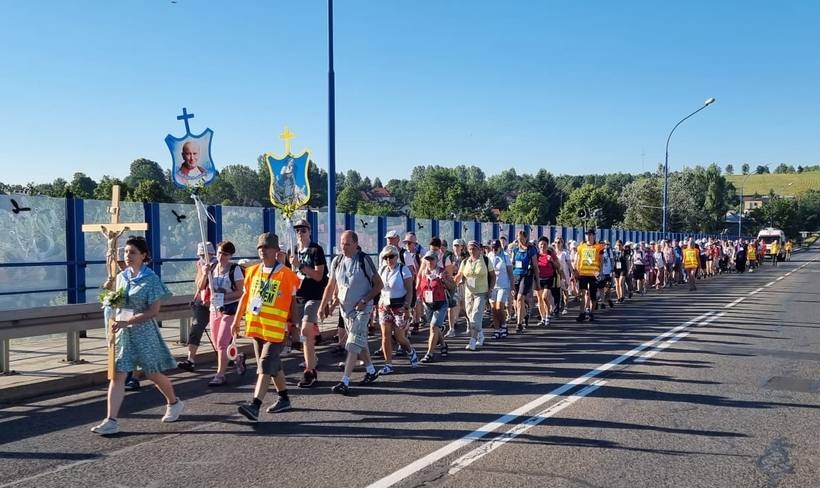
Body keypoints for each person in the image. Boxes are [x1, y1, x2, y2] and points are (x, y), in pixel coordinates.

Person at [91, 236, 183, 435]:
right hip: (123, 334)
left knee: (152, 373)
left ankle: (174, 403)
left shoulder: (150, 279)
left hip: (143, 332)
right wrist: (110, 298)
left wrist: (129, 321)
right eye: (126, 252)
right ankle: (111, 420)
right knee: (118, 375)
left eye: (132, 252)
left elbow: (153, 311)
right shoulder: (123, 277)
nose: (128, 256)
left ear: (143, 255)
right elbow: (115, 299)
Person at [232, 233, 301, 421]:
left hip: (276, 331)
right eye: (260, 248)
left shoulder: (287, 275)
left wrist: (294, 327)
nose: (262, 251)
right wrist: (236, 320)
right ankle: (284, 398)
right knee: (272, 366)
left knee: (264, 365)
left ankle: (255, 405)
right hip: (256, 328)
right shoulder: (252, 271)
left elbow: (293, 303)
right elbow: (245, 298)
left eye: (266, 247)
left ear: (276, 251)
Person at [319, 230, 384, 395]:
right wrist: (323, 306)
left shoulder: (364, 260)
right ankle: (370, 371)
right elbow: (330, 285)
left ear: (355, 244)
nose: (344, 247)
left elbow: (379, 285)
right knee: (359, 340)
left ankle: (345, 381)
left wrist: (364, 301)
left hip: (362, 309)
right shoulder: (337, 261)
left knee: (353, 344)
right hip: (345, 310)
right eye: (342, 243)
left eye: (347, 244)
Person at [289, 218, 328, 388]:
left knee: (305, 329)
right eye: (297, 230)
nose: (300, 233)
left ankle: (309, 370)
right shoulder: (294, 250)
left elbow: (319, 275)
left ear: (309, 231)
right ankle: (311, 359)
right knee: (301, 334)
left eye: (303, 230)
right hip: (299, 295)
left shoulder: (316, 250)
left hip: (314, 295)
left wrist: (301, 266)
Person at [206, 241, 245, 386]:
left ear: (230, 255)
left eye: (225, 254)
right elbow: (202, 285)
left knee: (222, 343)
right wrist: (205, 273)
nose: (221, 256)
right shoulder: (213, 268)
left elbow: (241, 292)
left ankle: (220, 374)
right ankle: (237, 358)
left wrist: (224, 297)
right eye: (220, 252)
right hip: (215, 309)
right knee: (217, 344)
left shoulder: (234, 270)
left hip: (230, 309)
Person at [376, 244, 418, 374]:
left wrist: (407, 307)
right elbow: (377, 287)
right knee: (385, 335)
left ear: (396, 257)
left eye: (392, 256)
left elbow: (410, 290)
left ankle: (410, 351)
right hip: (385, 305)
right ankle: (388, 364)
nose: (389, 259)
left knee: (399, 337)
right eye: (386, 257)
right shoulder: (382, 270)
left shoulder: (403, 269)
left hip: (399, 305)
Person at [177, 242, 216, 376]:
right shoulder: (200, 265)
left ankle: (232, 356)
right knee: (196, 328)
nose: (203, 258)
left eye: (205, 255)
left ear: (212, 254)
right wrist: (205, 274)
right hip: (202, 302)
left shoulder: (219, 265)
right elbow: (199, 285)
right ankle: (190, 360)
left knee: (219, 334)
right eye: (200, 255)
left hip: (216, 302)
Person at [454, 241, 495, 350]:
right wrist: (452, 284)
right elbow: (459, 275)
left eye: (474, 248)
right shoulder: (465, 262)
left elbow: (493, 276)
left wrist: (490, 289)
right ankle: (480, 335)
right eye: (470, 249)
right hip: (468, 292)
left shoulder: (485, 260)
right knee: (470, 315)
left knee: (476, 314)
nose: (472, 251)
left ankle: (473, 341)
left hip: (481, 292)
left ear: (479, 249)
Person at [417, 251, 455, 362]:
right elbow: (420, 287)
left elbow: (453, 286)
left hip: (441, 303)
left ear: (436, 260)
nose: (429, 262)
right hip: (428, 304)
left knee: (433, 327)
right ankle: (443, 345)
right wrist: (419, 298)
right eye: (427, 259)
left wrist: (443, 280)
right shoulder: (423, 272)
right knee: (435, 328)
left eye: (432, 259)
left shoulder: (442, 272)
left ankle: (429, 353)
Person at [509, 230, 539, 332]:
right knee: (515, 300)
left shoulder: (531, 249)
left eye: (522, 238)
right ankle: (524, 315)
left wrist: (537, 281)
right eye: (519, 238)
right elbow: (512, 264)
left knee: (520, 298)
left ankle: (519, 324)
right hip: (516, 275)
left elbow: (535, 266)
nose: (520, 240)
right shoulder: (515, 250)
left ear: (526, 238)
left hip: (527, 275)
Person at [573, 229, 604, 322]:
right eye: (587, 235)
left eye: (590, 235)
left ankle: (591, 313)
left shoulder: (599, 247)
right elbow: (578, 259)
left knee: (592, 295)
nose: (588, 236)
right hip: (583, 273)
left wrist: (600, 273)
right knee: (583, 294)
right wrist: (576, 270)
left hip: (594, 274)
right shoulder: (581, 247)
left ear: (594, 235)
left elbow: (601, 261)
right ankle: (582, 313)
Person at [487, 239, 513, 339]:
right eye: (492, 248)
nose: (494, 250)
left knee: (499, 307)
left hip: (503, 285)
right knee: (493, 309)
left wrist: (512, 286)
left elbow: (510, 272)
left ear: (500, 248)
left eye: (496, 248)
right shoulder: (489, 256)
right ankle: (497, 329)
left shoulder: (505, 257)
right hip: (493, 286)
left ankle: (504, 325)